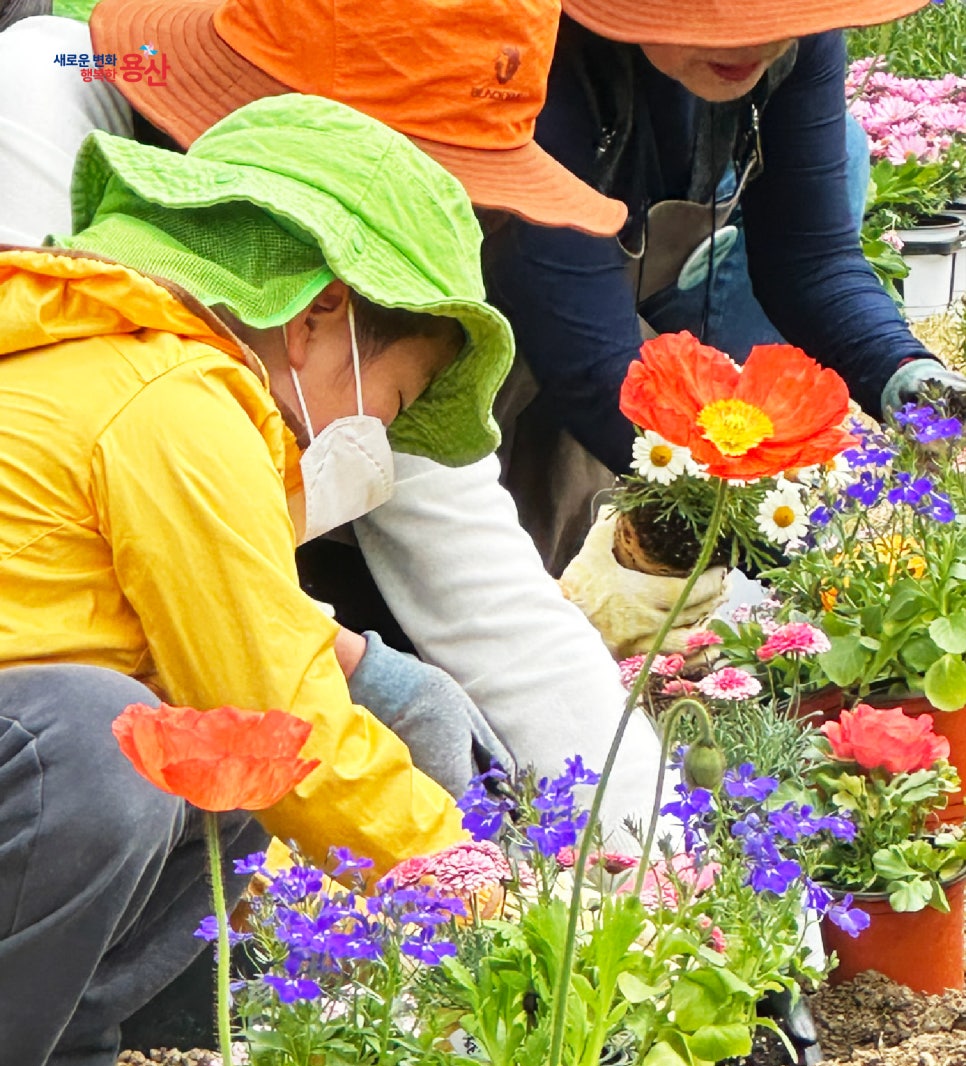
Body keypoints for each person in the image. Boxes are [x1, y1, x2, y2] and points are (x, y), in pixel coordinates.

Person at [0, 92, 524, 1066]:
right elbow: (271, 703)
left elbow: (217, 638)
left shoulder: (124, 366)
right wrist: (456, 870)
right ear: (320, 313)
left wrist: (353, 658)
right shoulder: (174, 397)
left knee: (202, 758)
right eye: (390, 400)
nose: (369, 437)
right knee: (129, 747)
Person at [0, 0, 687, 834]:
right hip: (53, 710)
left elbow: (486, 597)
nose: (432, 213)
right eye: (420, 172)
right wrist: (463, 889)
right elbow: (249, 684)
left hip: (119, 650)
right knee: (115, 741)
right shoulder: (56, 89)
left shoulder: (328, 350)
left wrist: (652, 851)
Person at [483, 0, 966, 590]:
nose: (747, 45)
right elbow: (588, 360)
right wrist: (784, 542)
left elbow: (810, 262)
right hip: (468, 347)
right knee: (482, 566)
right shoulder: (530, 53)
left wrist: (908, 378)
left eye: (773, 19)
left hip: (622, 318)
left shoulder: (798, 34)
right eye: (712, 20)